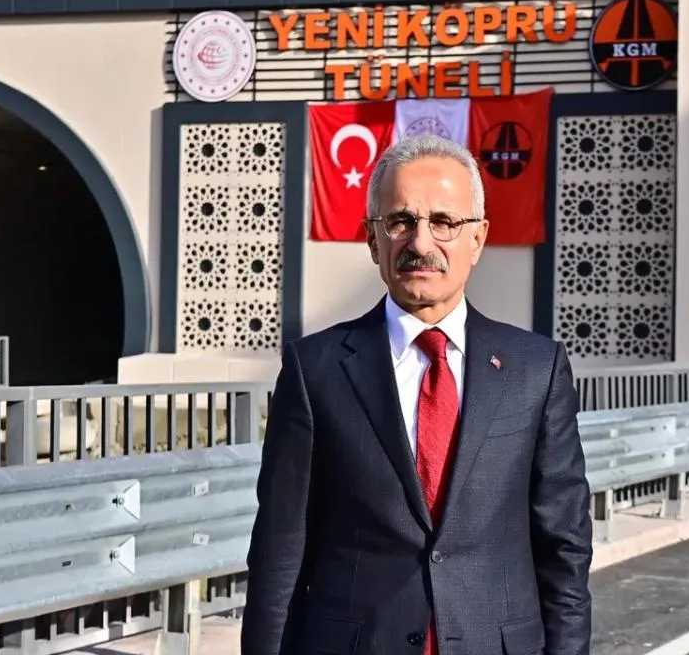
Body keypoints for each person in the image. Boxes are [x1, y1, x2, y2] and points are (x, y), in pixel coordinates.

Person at [241, 132, 593, 655]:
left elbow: (564, 548)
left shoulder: (535, 370)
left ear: (478, 238)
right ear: (372, 239)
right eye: (401, 221)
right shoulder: (315, 371)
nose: (421, 243)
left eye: (445, 222)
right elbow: (280, 551)